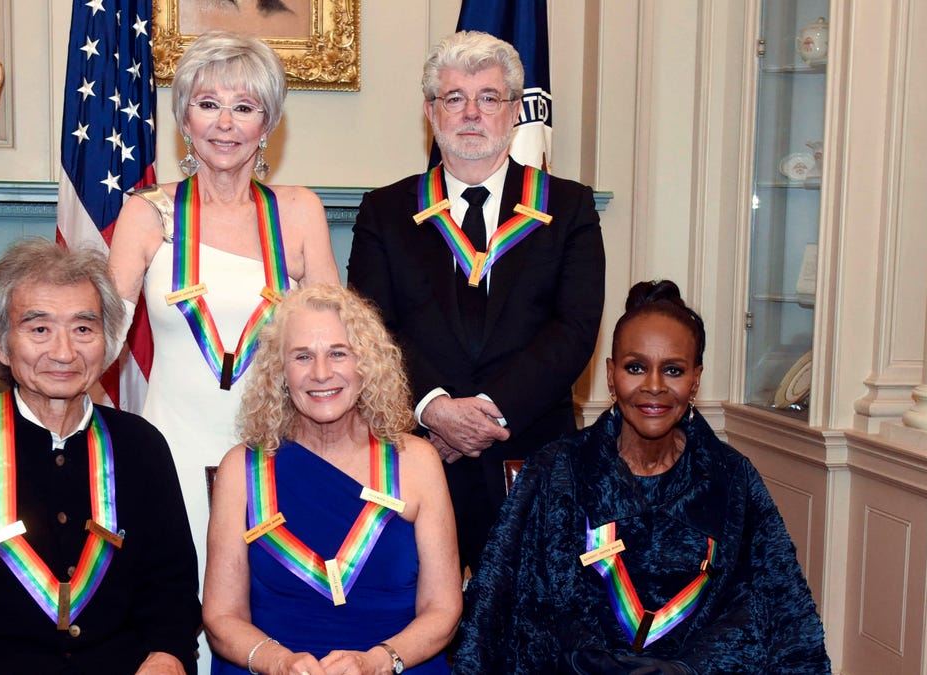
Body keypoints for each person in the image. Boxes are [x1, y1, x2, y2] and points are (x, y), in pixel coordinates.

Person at [455, 280, 831, 674]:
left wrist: (687, 668)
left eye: (673, 370)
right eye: (636, 367)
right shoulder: (555, 471)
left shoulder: (732, 478)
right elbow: (505, 604)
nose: (654, 387)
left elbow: (773, 610)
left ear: (695, 379)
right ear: (611, 375)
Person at [106, 30, 339, 652]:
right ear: (184, 116)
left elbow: (338, 341)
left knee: (268, 608)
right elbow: (98, 338)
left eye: (245, 106)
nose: (226, 124)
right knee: (174, 610)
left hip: (275, 445)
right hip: (170, 447)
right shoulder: (147, 213)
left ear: (269, 122)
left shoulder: (298, 211)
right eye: (209, 104)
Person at [0, 239, 203, 674]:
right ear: (1, 345)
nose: (64, 352)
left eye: (83, 328)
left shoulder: (140, 445)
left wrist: (167, 654)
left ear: (105, 341)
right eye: (39, 329)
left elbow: (172, 589)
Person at [347, 30, 606, 574]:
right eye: (454, 98)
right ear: (430, 111)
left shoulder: (570, 207)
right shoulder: (385, 212)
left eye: (488, 98)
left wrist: (484, 416)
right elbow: (373, 329)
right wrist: (436, 410)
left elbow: (574, 330)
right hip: (419, 454)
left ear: (514, 111)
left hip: (531, 452)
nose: (471, 113)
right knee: (421, 620)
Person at [204, 284, 461, 674]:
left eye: (338, 353)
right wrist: (280, 663)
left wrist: (377, 662)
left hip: (395, 665)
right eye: (303, 356)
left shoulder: (417, 462)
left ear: (367, 365)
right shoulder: (242, 469)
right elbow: (222, 618)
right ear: (280, 372)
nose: (321, 373)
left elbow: (443, 610)